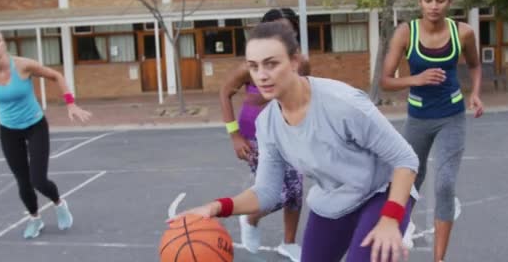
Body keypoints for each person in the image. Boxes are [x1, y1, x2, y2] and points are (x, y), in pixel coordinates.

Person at [172, 21, 419, 262]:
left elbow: (405, 159)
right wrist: (215, 207)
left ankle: (397, 228)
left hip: (382, 191)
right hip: (336, 198)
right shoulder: (267, 124)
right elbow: (266, 192)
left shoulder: (343, 104)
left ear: (294, 62)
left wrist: (391, 218)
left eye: (271, 64)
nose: (262, 75)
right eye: (254, 67)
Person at [0, 29, 92, 239]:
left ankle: (59, 204)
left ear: (4, 44)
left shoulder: (23, 66)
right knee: (23, 182)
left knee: (38, 180)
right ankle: (35, 218)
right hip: (9, 131)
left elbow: (56, 75)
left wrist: (71, 104)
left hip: (35, 126)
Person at [380, 0, 484, 262]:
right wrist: (418, 78)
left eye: (440, 0)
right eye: (428, 0)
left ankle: (439, 259)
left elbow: (475, 66)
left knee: (445, 184)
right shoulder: (406, 32)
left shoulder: (463, 33)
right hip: (418, 117)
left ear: (449, 2)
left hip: (452, 115)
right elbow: (385, 80)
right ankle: (401, 230)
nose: (434, 6)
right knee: (409, 179)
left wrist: (475, 93)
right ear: (420, 2)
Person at [219, 8, 308, 261]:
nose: (285, 33)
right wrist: (234, 135)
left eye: (289, 29)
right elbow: (225, 92)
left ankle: (289, 243)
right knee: (273, 194)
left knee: (296, 191)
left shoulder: (300, 62)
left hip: (290, 130)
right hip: (256, 136)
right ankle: (250, 217)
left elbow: (308, 92)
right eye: (279, 29)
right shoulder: (249, 66)